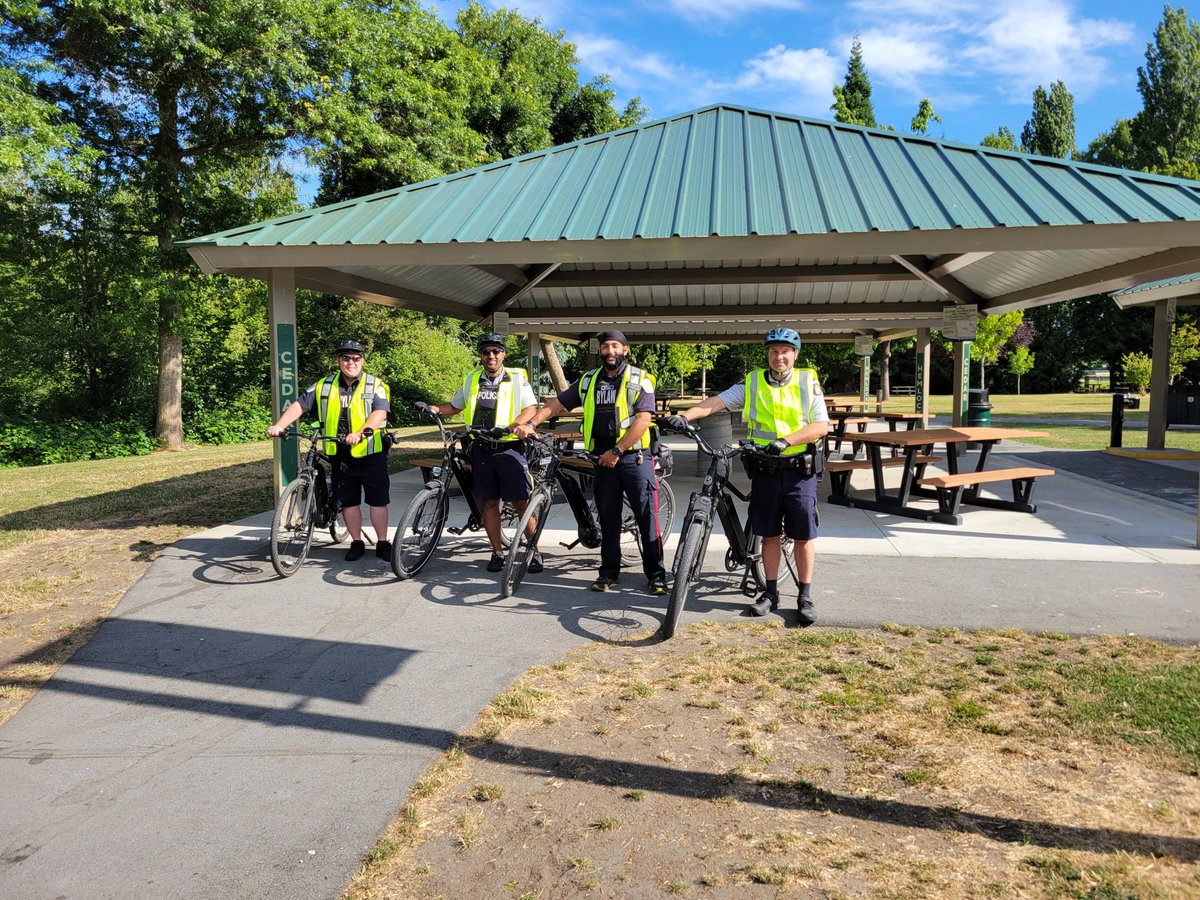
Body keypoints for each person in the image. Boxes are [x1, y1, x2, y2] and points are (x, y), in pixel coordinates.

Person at [662, 327, 828, 626]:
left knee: (802, 536)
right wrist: (685, 416)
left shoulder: (807, 381)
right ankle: (771, 593)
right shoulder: (752, 383)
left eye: (785, 351)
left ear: (795, 354)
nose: (779, 356)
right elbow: (716, 402)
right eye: (774, 351)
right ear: (768, 354)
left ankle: (804, 595)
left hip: (797, 472)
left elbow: (821, 426)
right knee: (769, 535)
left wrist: (786, 441)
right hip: (765, 469)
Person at [513, 330, 667, 595]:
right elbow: (557, 404)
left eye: (615, 346)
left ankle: (657, 576)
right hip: (600, 459)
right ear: (601, 351)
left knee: (646, 518)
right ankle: (608, 574)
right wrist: (530, 423)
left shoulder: (640, 379)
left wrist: (617, 451)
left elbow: (643, 420)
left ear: (625, 350)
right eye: (606, 346)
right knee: (607, 519)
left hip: (633, 458)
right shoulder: (588, 380)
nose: (610, 351)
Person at [415, 334, 542, 574]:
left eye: (495, 351)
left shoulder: (517, 377)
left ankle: (534, 550)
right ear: (480, 355)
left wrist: (514, 425)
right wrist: (434, 409)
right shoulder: (472, 379)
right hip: (481, 449)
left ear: (503, 353)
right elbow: (455, 407)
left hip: (509, 448)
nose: (491, 356)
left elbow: (531, 408)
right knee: (489, 502)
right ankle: (497, 553)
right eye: (486, 352)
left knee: (521, 503)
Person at [267, 340, 393, 562]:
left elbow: (380, 413)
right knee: (348, 501)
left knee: (377, 500)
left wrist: (362, 432)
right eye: (346, 358)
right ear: (339, 361)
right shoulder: (324, 385)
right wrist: (280, 425)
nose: (351, 362)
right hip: (340, 455)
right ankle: (356, 542)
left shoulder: (376, 385)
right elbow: (300, 405)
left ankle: (382, 542)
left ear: (362, 360)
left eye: (355, 358)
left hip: (370, 452)